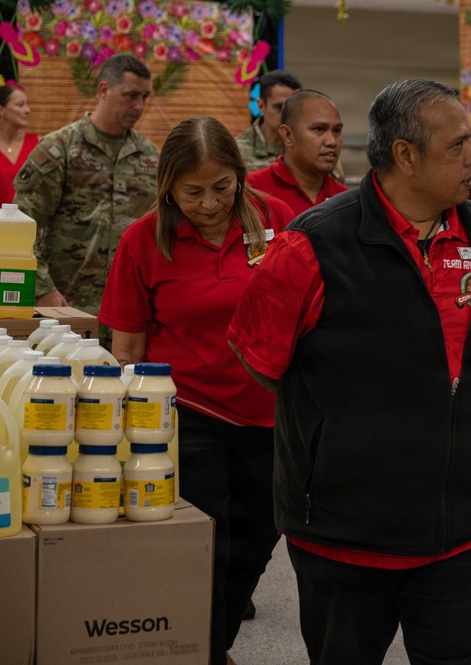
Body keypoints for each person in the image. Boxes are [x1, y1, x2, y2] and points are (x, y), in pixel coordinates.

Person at [228, 79, 471, 665]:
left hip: (465, 529)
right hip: (345, 535)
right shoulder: (312, 245)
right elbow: (261, 359)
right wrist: (345, 422)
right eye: (458, 145)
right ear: (406, 156)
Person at [98, 115, 295, 665]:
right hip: (187, 412)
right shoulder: (144, 239)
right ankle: (200, 653)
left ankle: (214, 643)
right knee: (207, 545)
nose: (209, 203)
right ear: (168, 187)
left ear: (240, 175)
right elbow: (128, 349)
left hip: (270, 412)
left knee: (257, 543)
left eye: (222, 187)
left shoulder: (276, 220)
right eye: (193, 192)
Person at [14, 53, 159, 315]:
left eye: (144, 97)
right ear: (104, 89)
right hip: (66, 307)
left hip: (130, 310)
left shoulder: (151, 158)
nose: (139, 106)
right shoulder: (59, 150)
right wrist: (42, 288)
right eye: (130, 95)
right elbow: (22, 226)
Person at [247, 90, 347, 217]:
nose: (332, 141)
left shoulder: (347, 201)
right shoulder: (252, 191)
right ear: (288, 135)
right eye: (319, 129)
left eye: (337, 131)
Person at [236, 69, 302, 173]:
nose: (287, 114)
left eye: (294, 107)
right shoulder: (237, 152)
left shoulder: (308, 147)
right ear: (261, 105)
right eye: (279, 107)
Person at [0, 81, 39, 205]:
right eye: (20, 105)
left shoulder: (39, 144)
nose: (27, 110)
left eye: (28, 104)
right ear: (1, 110)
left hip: (31, 222)